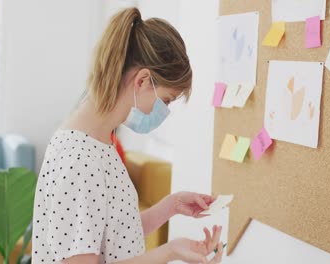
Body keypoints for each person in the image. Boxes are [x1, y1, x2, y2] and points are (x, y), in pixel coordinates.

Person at [31, 7, 224, 264]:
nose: (164, 112)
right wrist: (169, 251)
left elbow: (115, 235)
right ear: (143, 81)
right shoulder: (80, 159)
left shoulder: (99, 142)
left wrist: (172, 205)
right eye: (165, 100)